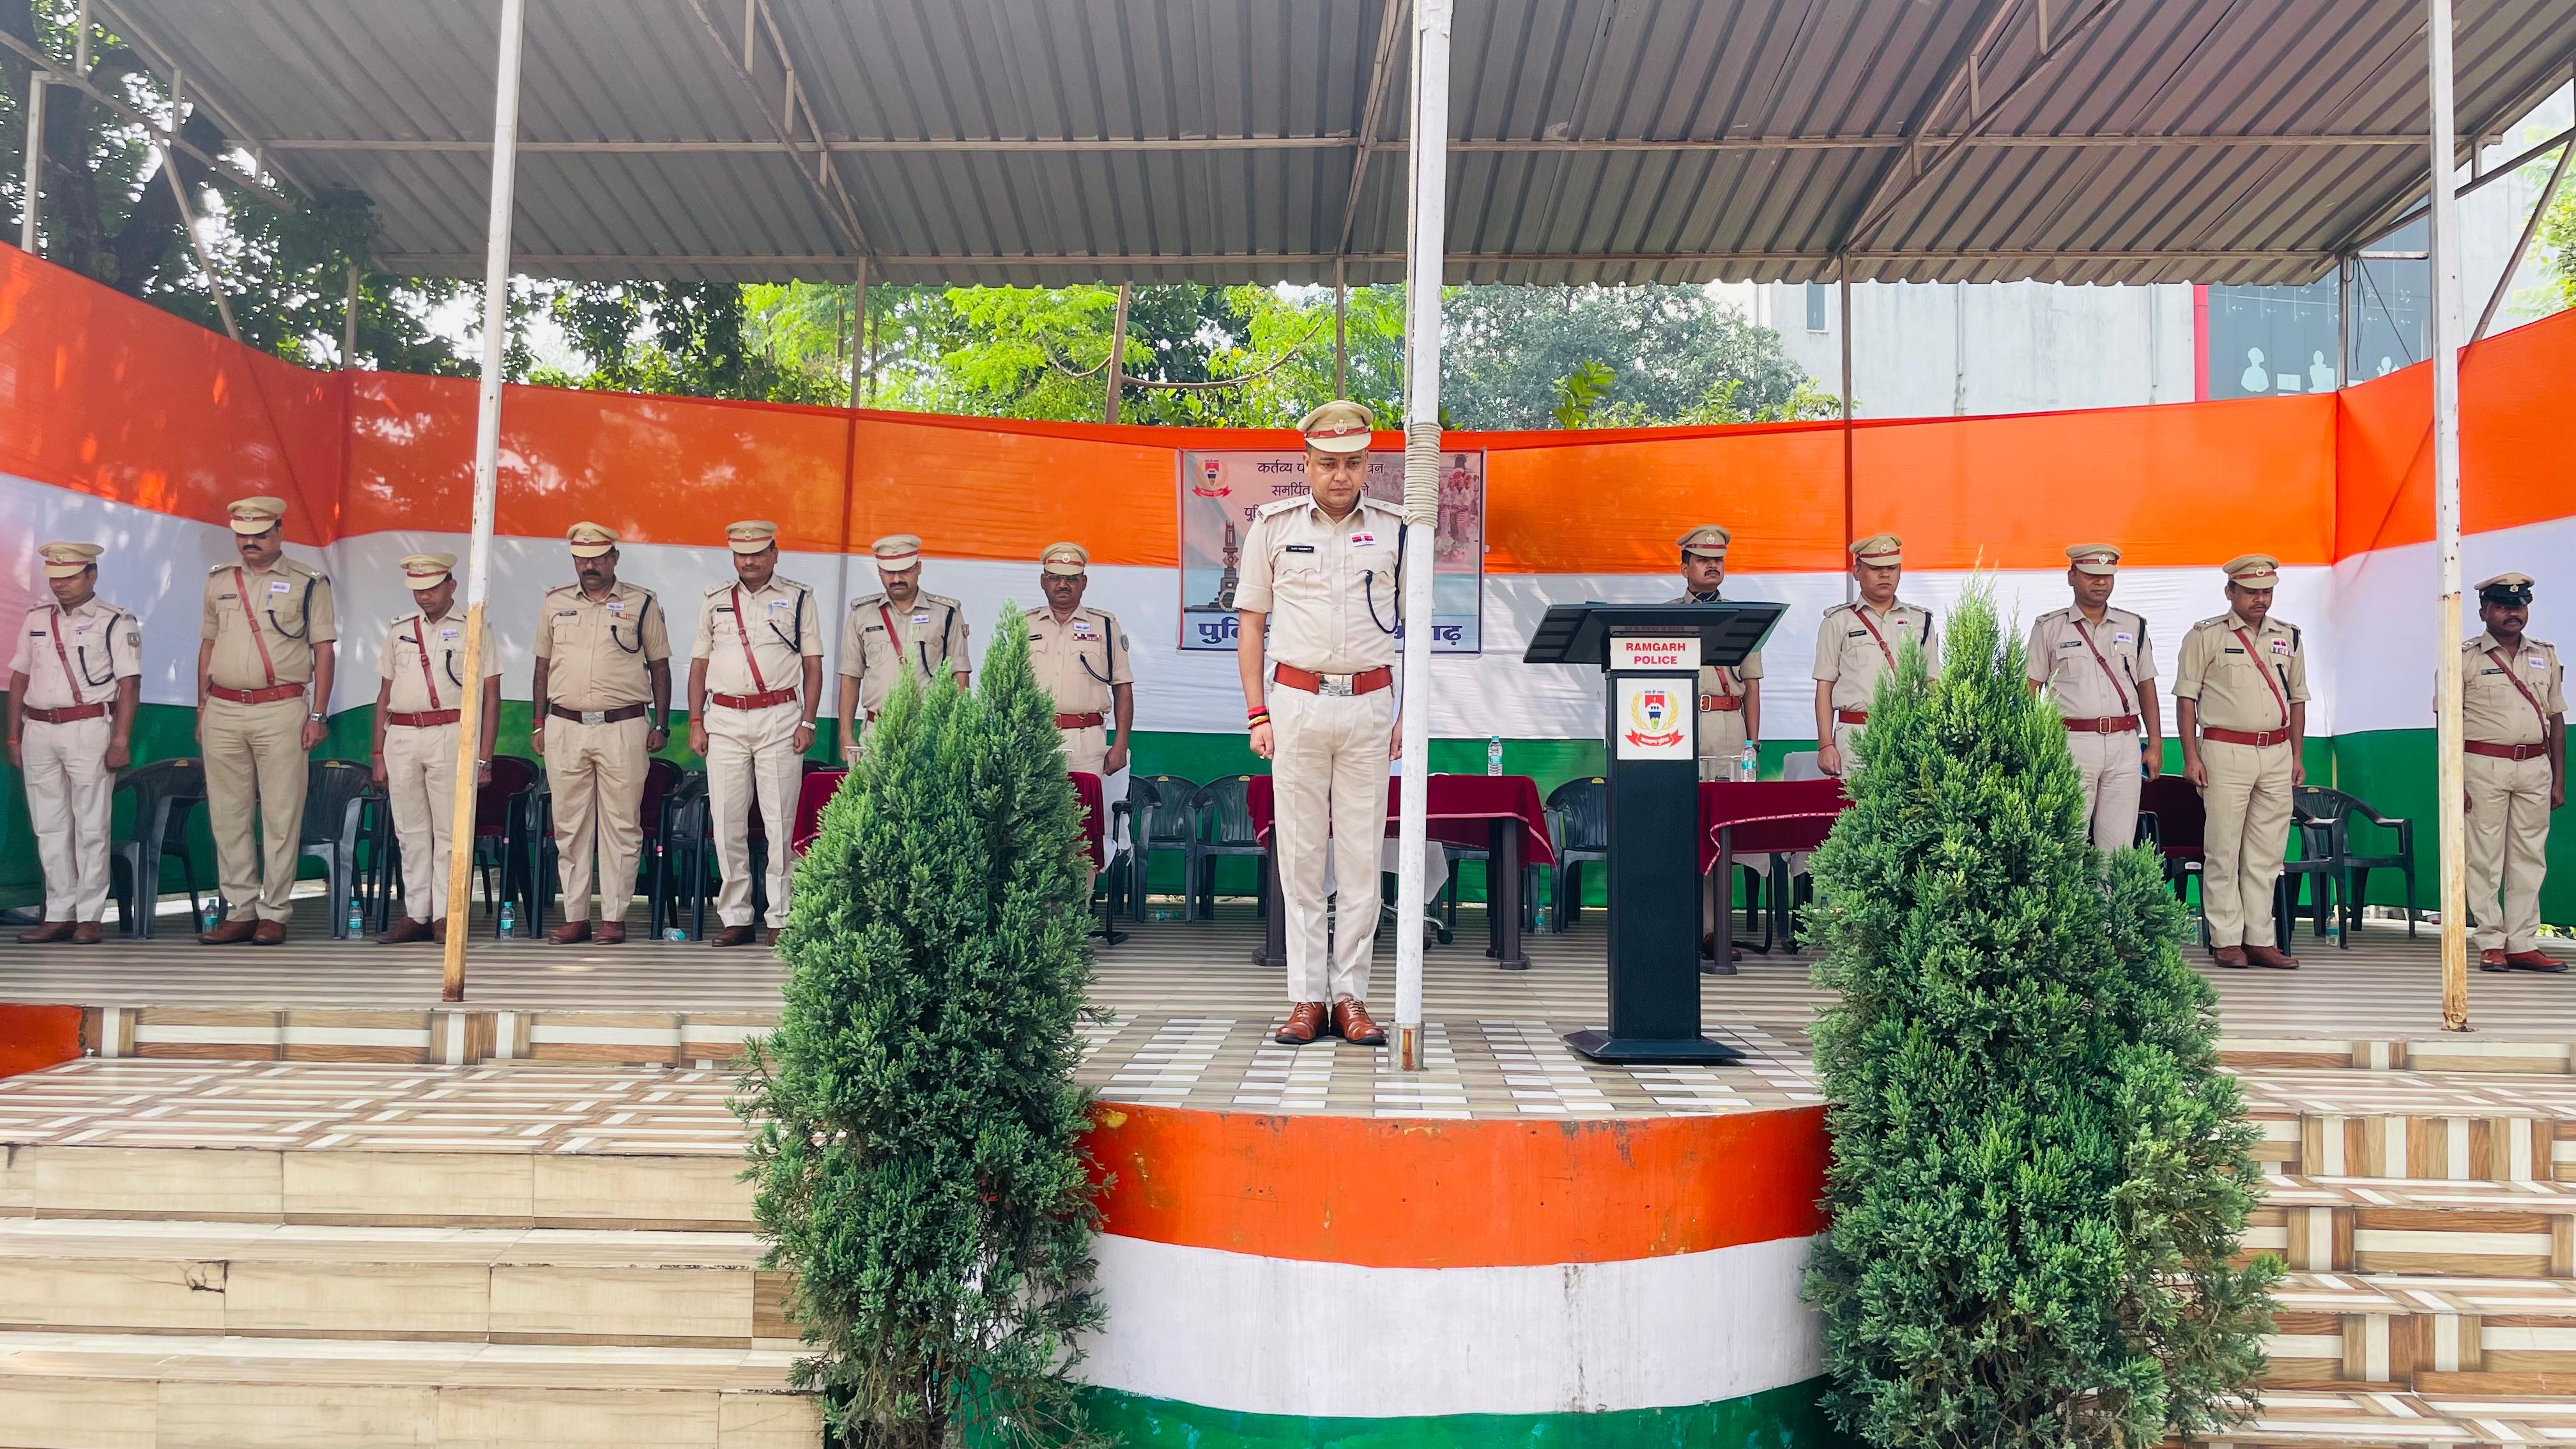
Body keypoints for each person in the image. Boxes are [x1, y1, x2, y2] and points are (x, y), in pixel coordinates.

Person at [1238, 399, 1404, 1048]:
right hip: (1297, 703)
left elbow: (1414, 631)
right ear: (1305, 464)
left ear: (1368, 466)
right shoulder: (1272, 527)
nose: (1340, 475)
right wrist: (1257, 712)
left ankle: (1350, 997)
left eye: (1353, 463)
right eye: (1328, 463)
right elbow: (1251, 625)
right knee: (1302, 856)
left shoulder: (1396, 530)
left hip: (1370, 704)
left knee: (1363, 857)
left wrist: (1408, 714)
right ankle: (1306, 998)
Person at [198, 496, 336, 945]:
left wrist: (319, 712)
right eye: (243, 535)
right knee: (228, 814)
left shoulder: (308, 582)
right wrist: (201, 707)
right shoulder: (220, 580)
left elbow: (323, 650)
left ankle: (274, 911)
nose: (251, 542)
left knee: (281, 814)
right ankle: (239, 910)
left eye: (260, 534)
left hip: (281, 707)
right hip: (222, 706)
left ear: (279, 532)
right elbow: (207, 644)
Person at [531, 521, 671, 945]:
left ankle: (614, 916)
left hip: (624, 726)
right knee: (570, 826)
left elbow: (660, 666)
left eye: (597, 557)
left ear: (614, 558)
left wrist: (661, 724)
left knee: (621, 825)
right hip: (565, 725)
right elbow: (541, 666)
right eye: (582, 558)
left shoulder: (642, 603)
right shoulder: (555, 602)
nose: (589, 565)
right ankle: (576, 916)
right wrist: (539, 722)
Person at [688, 520, 822, 948]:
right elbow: (699, 665)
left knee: (780, 822)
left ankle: (780, 915)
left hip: (780, 716)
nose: (749, 560)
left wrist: (808, 721)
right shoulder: (714, 600)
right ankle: (736, 916)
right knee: (726, 821)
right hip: (724, 718)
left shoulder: (799, 598)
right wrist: (695, 721)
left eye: (758, 552)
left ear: (774, 553)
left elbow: (813, 665)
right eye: (741, 554)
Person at [2173, 553, 2306, 970]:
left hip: (2277, 753)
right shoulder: (2205, 636)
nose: (2260, 600)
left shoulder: (2290, 636)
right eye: (2251, 592)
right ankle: (2227, 938)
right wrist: (2190, 756)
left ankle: (2260, 938)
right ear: (2231, 591)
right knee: (2223, 849)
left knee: (2267, 855)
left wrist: (2297, 756)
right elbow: (2186, 698)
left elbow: (2298, 699)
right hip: (2224, 751)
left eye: (2267, 592)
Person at [8, 542, 139, 944]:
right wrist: (14, 734)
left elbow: (129, 684)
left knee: (92, 826)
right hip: (39, 729)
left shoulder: (115, 620)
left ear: (92, 575)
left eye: (69, 577)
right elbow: (19, 678)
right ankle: (59, 912)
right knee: (49, 826)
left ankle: (89, 917)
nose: (60, 585)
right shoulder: (36, 619)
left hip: (89, 728)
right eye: (54, 578)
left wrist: (121, 738)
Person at [367, 553, 499, 944]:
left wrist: (484, 757)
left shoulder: (474, 626)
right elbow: (384, 693)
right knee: (409, 830)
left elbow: (491, 698)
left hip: (452, 732)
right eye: (417, 590)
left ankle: (446, 915)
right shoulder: (399, 629)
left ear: (452, 586)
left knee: (450, 830)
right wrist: (378, 752)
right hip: (403, 734)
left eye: (432, 588)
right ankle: (416, 913)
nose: (424, 596)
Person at [2459, 572, 2566, 972]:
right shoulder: (2464, 658)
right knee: (2485, 857)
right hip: (2483, 765)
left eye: (2519, 606)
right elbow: (2447, 724)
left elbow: (2556, 718)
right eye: (2503, 606)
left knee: (2529, 856)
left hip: (2536, 767)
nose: (2513, 613)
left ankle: (2522, 942)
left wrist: (2559, 777)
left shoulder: (2545, 654)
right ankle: (2490, 941)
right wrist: (2456, 780)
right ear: (2484, 610)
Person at [2025, 544, 2162, 852]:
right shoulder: (2049, 627)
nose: (2100, 582)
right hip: (2072, 742)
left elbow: (2146, 684)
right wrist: (2036, 745)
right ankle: (2068, 902)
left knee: (2117, 849)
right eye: (2091, 575)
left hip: (2124, 742)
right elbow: (2030, 688)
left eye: (2107, 575)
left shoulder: (2134, 626)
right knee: (2067, 842)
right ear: (2072, 576)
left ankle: (2109, 902)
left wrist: (2155, 742)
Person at [1813, 533, 1936, 778]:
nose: (1885, 575)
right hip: (1856, 734)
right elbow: (1825, 686)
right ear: (1856, 571)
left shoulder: (1921, 620)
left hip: (1909, 735)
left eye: (1892, 568)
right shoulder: (1838, 621)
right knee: (1854, 812)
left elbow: (1932, 683)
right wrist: (1825, 744)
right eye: (1875, 568)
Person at [838, 533, 970, 758]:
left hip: (928, 730)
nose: (897, 578)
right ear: (879, 571)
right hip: (876, 730)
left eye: (905, 570)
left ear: (919, 568)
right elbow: (851, 677)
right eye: (889, 572)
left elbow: (959, 675)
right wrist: (846, 736)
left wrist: (955, 731)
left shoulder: (946, 613)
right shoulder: (862, 614)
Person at [1024, 542, 1135, 777]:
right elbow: (1005, 687)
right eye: (1055, 577)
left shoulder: (1105, 625)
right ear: (1043, 582)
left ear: (1084, 583)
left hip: (1087, 743)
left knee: (1084, 812)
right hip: (1033, 740)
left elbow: (1122, 686)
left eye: (1071, 579)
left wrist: (1121, 745)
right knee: (1034, 813)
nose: (1063, 584)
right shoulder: (1022, 625)